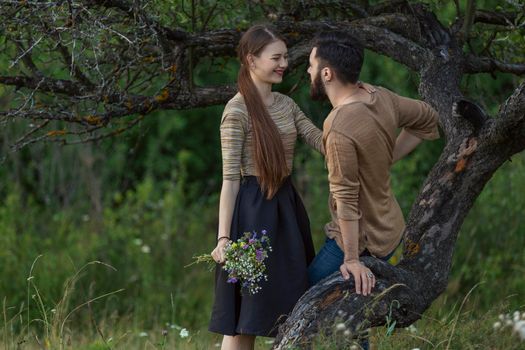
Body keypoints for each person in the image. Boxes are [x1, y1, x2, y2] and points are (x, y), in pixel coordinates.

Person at [207, 24, 324, 350]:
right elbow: (230, 181)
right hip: (251, 218)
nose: (284, 63)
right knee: (246, 318)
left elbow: (321, 140)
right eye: (276, 57)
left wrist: (353, 117)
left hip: (286, 213)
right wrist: (223, 238)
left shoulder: (287, 105)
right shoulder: (236, 111)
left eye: (286, 56)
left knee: (290, 309)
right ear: (251, 59)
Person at [307, 31, 439, 298]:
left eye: (311, 65)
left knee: (307, 296)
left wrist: (352, 259)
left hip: (362, 240)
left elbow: (347, 199)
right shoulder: (380, 97)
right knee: (356, 305)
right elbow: (428, 117)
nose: (309, 71)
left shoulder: (339, 127)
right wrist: (384, 157)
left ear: (327, 74)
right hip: (389, 229)